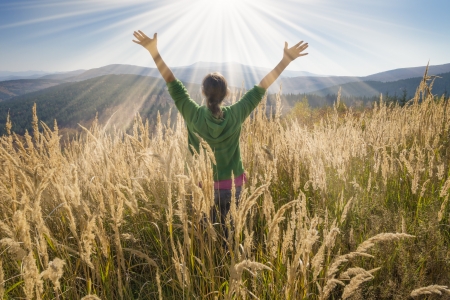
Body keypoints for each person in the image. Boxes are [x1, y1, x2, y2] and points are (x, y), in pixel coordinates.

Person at [132, 30, 308, 238]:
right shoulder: (236, 113)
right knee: (231, 237)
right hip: (234, 186)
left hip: (201, 187)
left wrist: (154, 52)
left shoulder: (193, 114)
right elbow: (262, 87)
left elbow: (173, 84)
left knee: (206, 238)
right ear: (227, 94)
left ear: (203, 93)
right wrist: (285, 60)